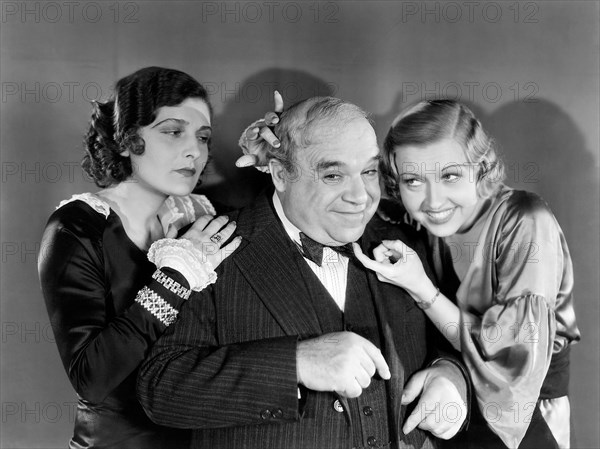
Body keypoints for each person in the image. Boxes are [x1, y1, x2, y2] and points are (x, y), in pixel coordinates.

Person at [137, 96, 470, 449]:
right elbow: (160, 389)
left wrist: (451, 376)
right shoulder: (209, 250)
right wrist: (295, 363)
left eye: (369, 171)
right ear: (281, 174)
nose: (361, 196)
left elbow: (448, 344)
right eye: (333, 175)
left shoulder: (402, 243)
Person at [351, 100, 581, 448]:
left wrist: (422, 290)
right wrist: (287, 156)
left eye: (450, 176)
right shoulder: (418, 218)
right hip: (453, 409)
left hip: (524, 415)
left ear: (481, 167)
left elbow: (508, 354)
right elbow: (339, 206)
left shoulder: (525, 220)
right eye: (413, 180)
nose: (434, 200)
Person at [38, 66, 241, 448]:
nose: (194, 150)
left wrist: (277, 159)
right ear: (129, 140)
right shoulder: (77, 227)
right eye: (172, 131)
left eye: (203, 137)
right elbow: (92, 378)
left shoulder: (201, 212)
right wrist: (176, 276)